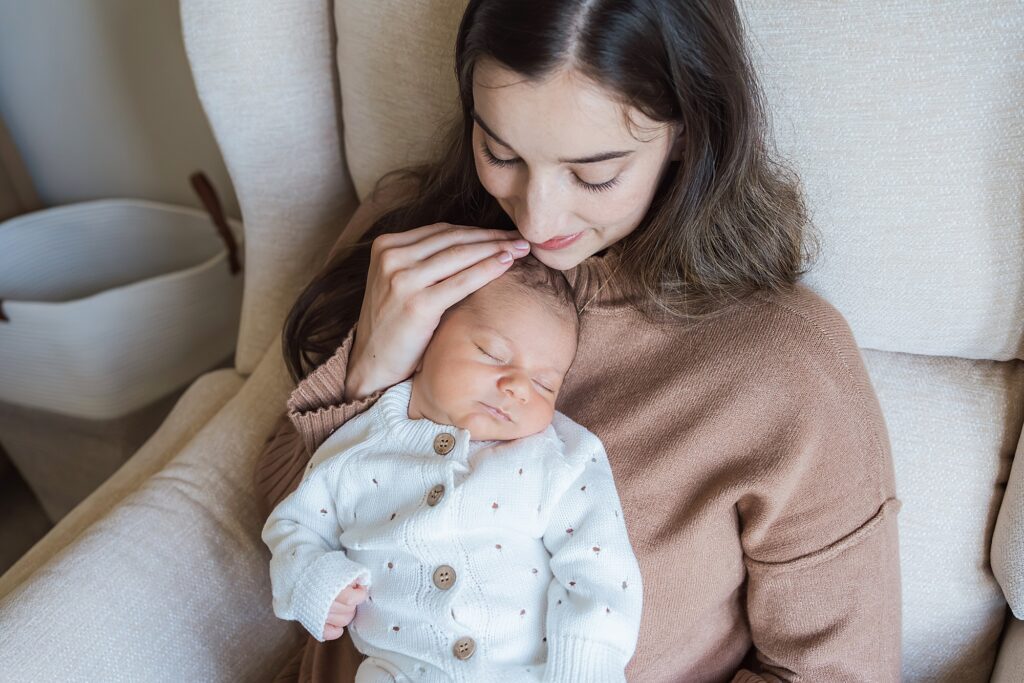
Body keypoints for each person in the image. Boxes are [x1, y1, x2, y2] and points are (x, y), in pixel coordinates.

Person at [255, 0, 902, 680]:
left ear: (688, 131)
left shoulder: (787, 365)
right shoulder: (412, 251)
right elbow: (279, 525)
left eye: (594, 174)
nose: (537, 215)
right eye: (499, 152)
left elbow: (837, 670)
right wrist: (374, 369)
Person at [261, 256, 643, 682]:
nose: (518, 387)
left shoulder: (558, 457)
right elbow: (294, 527)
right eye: (491, 353)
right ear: (424, 343)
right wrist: (315, 582)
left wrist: (586, 666)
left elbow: (600, 569)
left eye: (544, 384)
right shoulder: (356, 446)